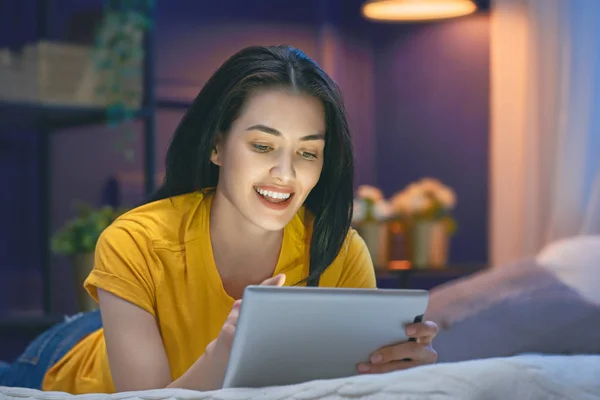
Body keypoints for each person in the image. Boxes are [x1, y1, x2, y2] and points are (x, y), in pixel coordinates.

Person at [0, 45, 439, 394]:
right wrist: (228, 348)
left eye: (307, 153)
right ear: (217, 147)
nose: (285, 175)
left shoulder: (339, 252)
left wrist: (393, 373)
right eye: (262, 146)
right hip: (68, 358)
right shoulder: (135, 240)